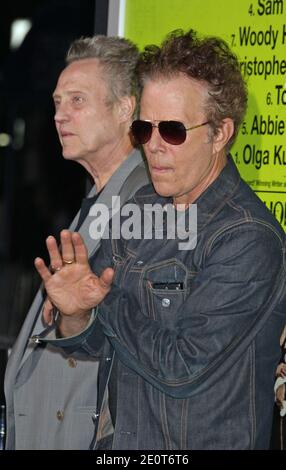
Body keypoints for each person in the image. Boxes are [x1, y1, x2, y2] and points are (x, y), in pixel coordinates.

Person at [27, 29, 286, 450]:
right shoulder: (140, 206)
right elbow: (100, 341)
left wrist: (99, 300)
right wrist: (74, 313)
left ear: (220, 133)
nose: (154, 146)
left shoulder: (248, 238)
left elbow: (181, 368)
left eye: (173, 130)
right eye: (144, 129)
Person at [4, 35, 149, 450]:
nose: (59, 116)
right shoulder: (100, 197)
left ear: (125, 109)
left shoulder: (144, 203)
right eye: (56, 102)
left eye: (77, 101)